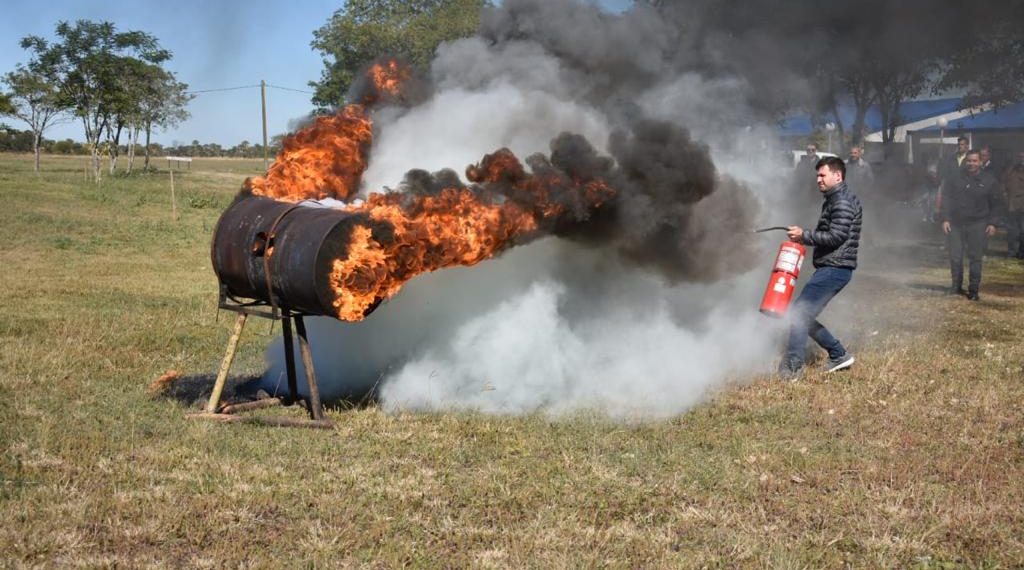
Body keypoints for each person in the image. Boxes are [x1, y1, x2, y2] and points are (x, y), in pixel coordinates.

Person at [779, 156, 862, 379]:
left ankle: (793, 368)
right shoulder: (835, 198)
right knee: (804, 314)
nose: (818, 180)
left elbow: (837, 236)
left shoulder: (841, 201)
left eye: (822, 175)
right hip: (834, 267)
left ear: (838, 175)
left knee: (799, 313)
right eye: (817, 175)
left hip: (835, 268)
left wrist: (804, 235)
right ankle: (839, 354)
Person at [940, 150, 1003, 301]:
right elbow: (947, 199)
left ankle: (973, 290)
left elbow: (997, 204)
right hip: (956, 223)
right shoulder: (955, 178)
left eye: (975, 161)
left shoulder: (989, 180)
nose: (971, 164)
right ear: (965, 162)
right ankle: (956, 286)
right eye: (969, 161)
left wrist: (993, 223)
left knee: (975, 258)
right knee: (955, 256)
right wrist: (945, 219)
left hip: (978, 224)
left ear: (980, 162)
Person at [1003, 150, 1024, 259]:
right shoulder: (1011, 170)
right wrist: (1006, 199)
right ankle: (1011, 252)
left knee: (1023, 231)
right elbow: (1003, 186)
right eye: (1020, 157)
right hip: (1011, 206)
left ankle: (1022, 253)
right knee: (1012, 232)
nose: (1022, 159)